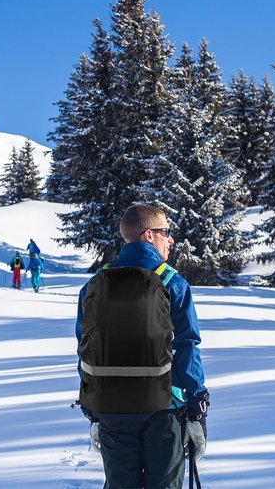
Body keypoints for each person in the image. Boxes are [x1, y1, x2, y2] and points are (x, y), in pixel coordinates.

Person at [75, 204, 209, 489]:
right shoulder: (172, 282)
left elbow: (84, 345)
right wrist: (197, 401)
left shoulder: (94, 284)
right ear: (149, 235)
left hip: (110, 407)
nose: (170, 239)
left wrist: (92, 402)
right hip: (164, 407)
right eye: (165, 232)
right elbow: (187, 345)